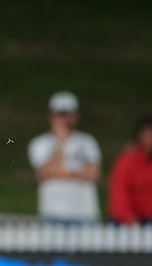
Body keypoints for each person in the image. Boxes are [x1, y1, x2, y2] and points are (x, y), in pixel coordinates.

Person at [27, 91, 102, 224]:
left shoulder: (87, 142)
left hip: (84, 213)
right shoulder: (40, 143)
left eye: (67, 115)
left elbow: (94, 174)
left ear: (76, 117)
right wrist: (60, 144)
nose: (63, 120)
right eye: (59, 115)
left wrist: (62, 173)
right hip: (53, 213)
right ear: (51, 116)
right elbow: (44, 173)